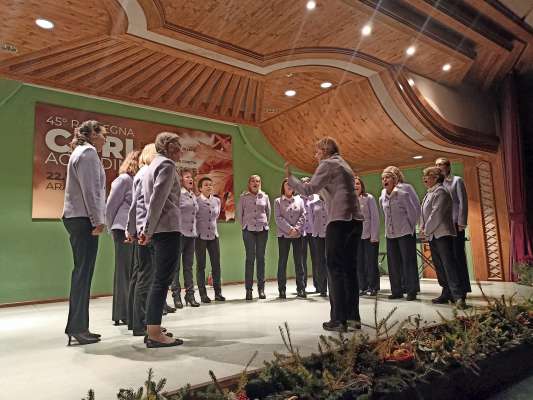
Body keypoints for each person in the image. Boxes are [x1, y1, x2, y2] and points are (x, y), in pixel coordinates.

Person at [285, 137, 363, 332]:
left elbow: (308, 190)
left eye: (317, 151)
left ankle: (338, 319)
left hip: (339, 220)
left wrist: (290, 179)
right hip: (355, 221)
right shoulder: (344, 164)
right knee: (350, 270)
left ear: (325, 150)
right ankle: (353, 317)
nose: (315, 155)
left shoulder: (327, 164)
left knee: (334, 268)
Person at [62, 120, 107, 346]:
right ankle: (78, 328)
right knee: (83, 273)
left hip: (77, 218)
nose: (105, 139)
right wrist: (97, 221)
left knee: (82, 272)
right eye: (102, 134)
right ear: (92, 134)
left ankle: (79, 326)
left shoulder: (81, 152)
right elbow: (91, 192)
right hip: (83, 219)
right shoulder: (88, 153)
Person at [139, 132, 183, 348]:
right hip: (166, 229)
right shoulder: (166, 165)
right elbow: (157, 201)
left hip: (158, 230)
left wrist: (147, 230)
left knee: (158, 280)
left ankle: (152, 328)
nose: (181, 150)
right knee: (161, 281)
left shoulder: (152, 166)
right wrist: (147, 230)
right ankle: (155, 334)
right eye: (177, 145)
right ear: (166, 146)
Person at [420, 167, 467, 309]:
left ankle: (458, 296)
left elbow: (437, 214)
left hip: (442, 234)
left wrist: (426, 230)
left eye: (427, 176)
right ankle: (446, 292)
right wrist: (423, 228)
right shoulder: (430, 193)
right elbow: (424, 213)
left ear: (435, 178)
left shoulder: (441, 192)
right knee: (439, 265)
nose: (424, 179)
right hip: (433, 234)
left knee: (448, 265)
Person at [125, 144, 158, 337]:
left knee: (142, 275)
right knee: (146, 277)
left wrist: (132, 229)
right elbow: (146, 206)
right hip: (147, 232)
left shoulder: (140, 173)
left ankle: (138, 322)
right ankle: (142, 322)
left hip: (140, 230)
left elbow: (133, 207)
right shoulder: (148, 174)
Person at [106, 150, 140, 326]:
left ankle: (128, 311)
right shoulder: (124, 180)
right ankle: (122, 312)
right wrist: (111, 228)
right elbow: (110, 205)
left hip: (133, 230)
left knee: (131, 271)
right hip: (122, 229)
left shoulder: (136, 181)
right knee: (124, 271)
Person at [380, 169, 420, 301]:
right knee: (393, 263)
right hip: (390, 233)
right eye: (383, 178)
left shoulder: (403, 193)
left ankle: (411, 291)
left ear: (395, 180)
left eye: (387, 178)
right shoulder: (382, 194)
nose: (384, 180)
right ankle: (396, 291)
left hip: (404, 232)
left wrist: (410, 227)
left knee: (408, 262)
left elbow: (413, 212)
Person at [435, 157, 471, 300]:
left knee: (457, 257)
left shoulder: (457, 181)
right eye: (436, 165)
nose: (438, 167)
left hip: (455, 224)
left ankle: (462, 289)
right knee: (445, 259)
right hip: (442, 226)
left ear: (448, 167)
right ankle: (448, 290)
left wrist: (462, 222)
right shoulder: (437, 185)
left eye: (441, 164)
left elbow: (463, 202)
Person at [236, 175, 271, 300]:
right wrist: (245, 225)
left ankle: (261, 289)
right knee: (250, 258)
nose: (255, 183)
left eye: (258, 181)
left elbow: (268, 213)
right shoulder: (243, 197)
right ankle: (248, 290)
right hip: (248, 230)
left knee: (261, 258)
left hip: (262, 230)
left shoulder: (265, 197)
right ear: (249, 184)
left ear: (260, 183)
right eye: (253, 181)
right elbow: (239, 214)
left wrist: (264, 223)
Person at [171, 168, 200, 308]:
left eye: (191, 177)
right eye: (187, 177)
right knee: (175, 268)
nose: (190, 179)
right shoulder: (178, 195)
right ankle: (176, 296)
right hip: (179, 235)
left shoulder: (193, 195)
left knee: (188, 267)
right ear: (181, 180)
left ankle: (190, 295)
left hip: (191, 235)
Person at [275, 178, 306, 299]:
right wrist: (289, 229)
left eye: (291, 184)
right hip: (283, 235)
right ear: (283, 187)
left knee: (299, 262)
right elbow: (278, 218)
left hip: (297, 235)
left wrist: (296, 229)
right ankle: (282, 290)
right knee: (282, 262)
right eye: (286, 184)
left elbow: (303, 215)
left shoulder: (299, 200)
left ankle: (301, 288)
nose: (289, 186)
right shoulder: (277, 201)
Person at [195, 176, 225, 303]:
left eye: (210, 185)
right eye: (206, 185)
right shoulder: (196, 201)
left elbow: (216, 216)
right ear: (200, 188)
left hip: (213, 236)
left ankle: (218, 293)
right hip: (200, 236)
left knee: (216, 265)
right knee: (201, 266)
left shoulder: (217, 201)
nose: (209, 187)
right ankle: (203, 295)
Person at [355, 176, 380, 296]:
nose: (355, 186)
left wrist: (374, 236)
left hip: (369, 235)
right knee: (359, 263)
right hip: (356, 237)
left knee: (371, 262)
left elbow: (375, 218)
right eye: (353, 184)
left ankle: (373, 286)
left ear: (362, 186)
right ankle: (362, 286)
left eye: (358, 184)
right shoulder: (349, 200)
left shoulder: (368, 198)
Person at [299, 178, 318, 293]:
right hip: (301, 233)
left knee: (317, 259)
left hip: (314, 232)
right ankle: (302, 285)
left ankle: (319, 284)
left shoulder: (316, 198)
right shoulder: (296, 199)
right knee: (301, 260)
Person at [309, 194, 328, 296]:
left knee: (331, 261)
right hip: (318, 234)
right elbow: (311, 220)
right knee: (320, 261)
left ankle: (333, 286)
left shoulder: (331, 201)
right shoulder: (313, 204)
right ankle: (322, 288)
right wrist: (314, 232)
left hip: (330, 234)